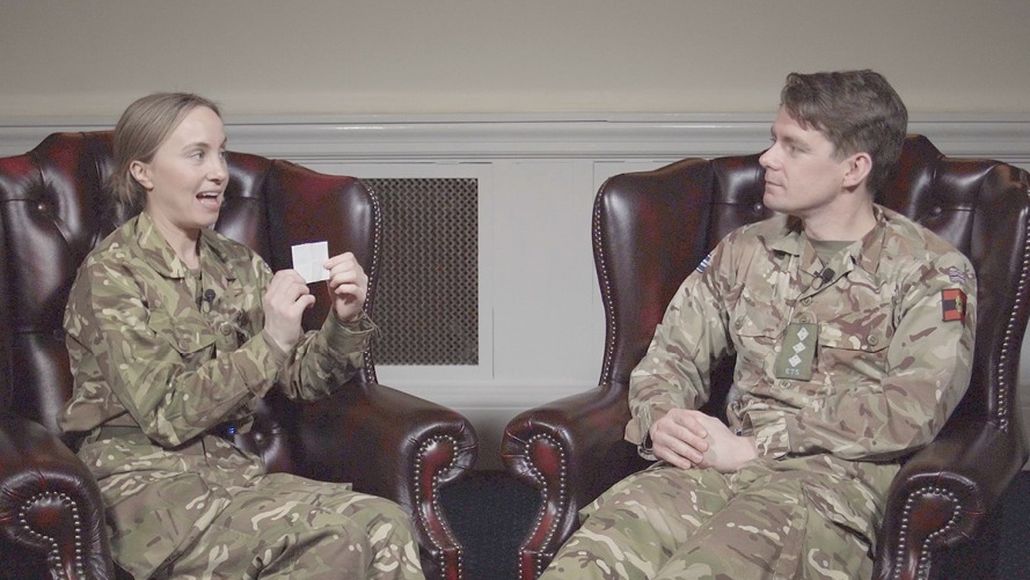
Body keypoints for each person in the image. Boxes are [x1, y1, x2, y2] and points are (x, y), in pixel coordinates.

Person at [540, 70, 977, 579]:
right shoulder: (744, 250)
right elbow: (671, 357)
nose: (768, 158)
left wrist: (757, 446)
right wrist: (662, 418)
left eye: (794, 147)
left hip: (828, 483)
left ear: (853, 168)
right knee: (584, 562)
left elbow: (914, 407)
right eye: (774, 140)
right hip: (710, 464)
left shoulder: (930, 270)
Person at [59, 93, 425, 579]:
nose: (219, 172)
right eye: (197, 155)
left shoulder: (238, 264)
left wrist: (345, 319)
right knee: (336, 542)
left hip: (235, 480)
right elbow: (167, 415)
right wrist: (270, 340)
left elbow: (301, 382)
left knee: (387, 523)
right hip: (150, 498)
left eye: (221, 153)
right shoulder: (111, 277)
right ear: (143, 172)